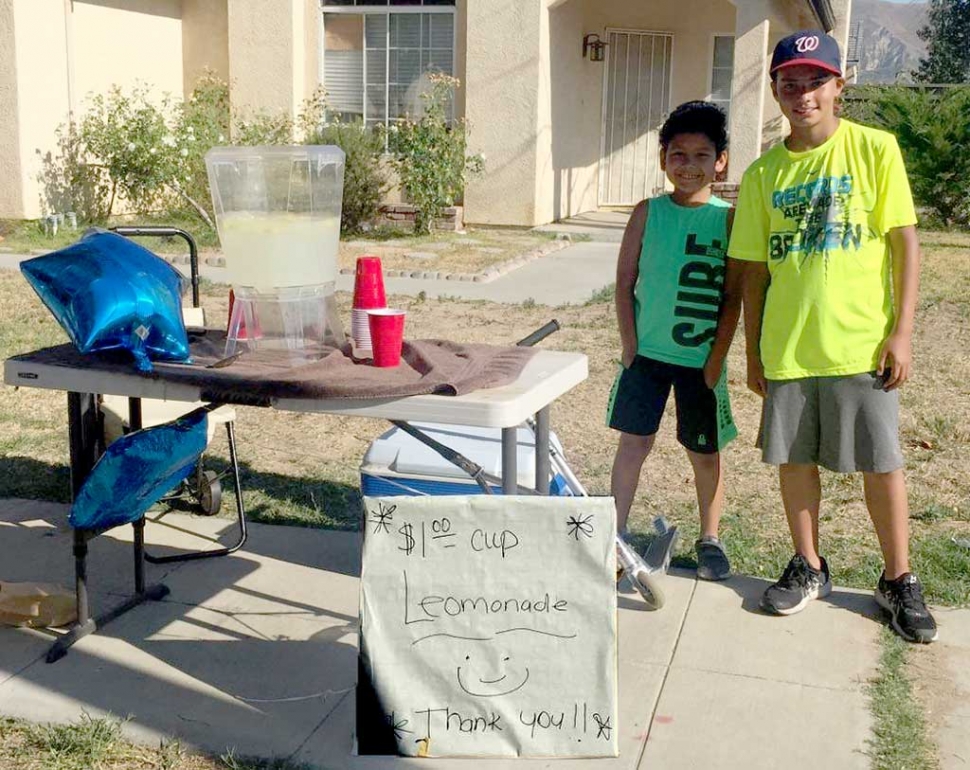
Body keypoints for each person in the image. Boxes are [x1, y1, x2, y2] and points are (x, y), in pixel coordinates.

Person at [728, 30, 937, 642]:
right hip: (789, 347)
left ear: (839, 86)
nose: (803, 94)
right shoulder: (763, 174)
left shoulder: (875, 150)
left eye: (816, 80)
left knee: (882, 463)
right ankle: (809, 564)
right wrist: (753, 349)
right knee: (793, 461)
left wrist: (901, 332)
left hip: (861, 345)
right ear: (774, 91)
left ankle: (897, 578)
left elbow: (904, 243)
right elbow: (754, 273)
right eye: (789, 83)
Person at [607, 101, 743, 583]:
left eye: (701, 155)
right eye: (678, 154)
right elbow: (624, 282)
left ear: (720, 161)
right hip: (645, 357)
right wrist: (629, 343)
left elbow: (732, 297)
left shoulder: (729, 220)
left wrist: (717, 358)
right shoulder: (647, 212)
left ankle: (711, 538)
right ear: (663, 157)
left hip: (699, 361)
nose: (689, 165)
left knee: (704, 452)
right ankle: (614, 534)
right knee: (633, 443)